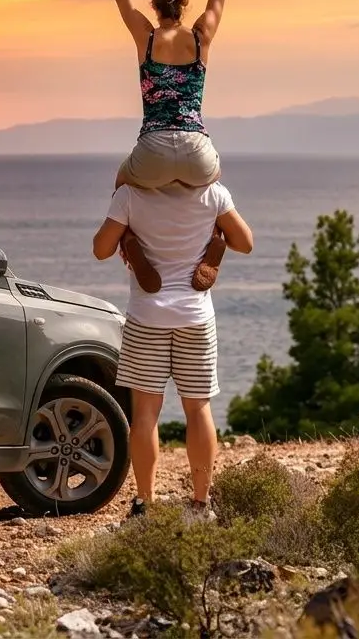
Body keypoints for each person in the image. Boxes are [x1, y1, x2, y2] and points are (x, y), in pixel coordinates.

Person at [63, 0, 269, 295]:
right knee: (214, 190)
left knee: (121, 183)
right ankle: (212, 249)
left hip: (153, 148)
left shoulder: (146, 37)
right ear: (184, 3)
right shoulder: (201, 34)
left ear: (154, 5)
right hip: (197, 150)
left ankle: (129, 244)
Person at [92, 179, 254, 519]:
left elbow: (100, 249)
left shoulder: (131, 194)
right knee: (198, 409)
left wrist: (125, 237)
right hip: (195, 316)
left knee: (146, 412)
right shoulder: (213, 192)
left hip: (146, 316)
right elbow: (246, 243)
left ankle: (145, 503)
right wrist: (217, 237)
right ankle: (200, 503)